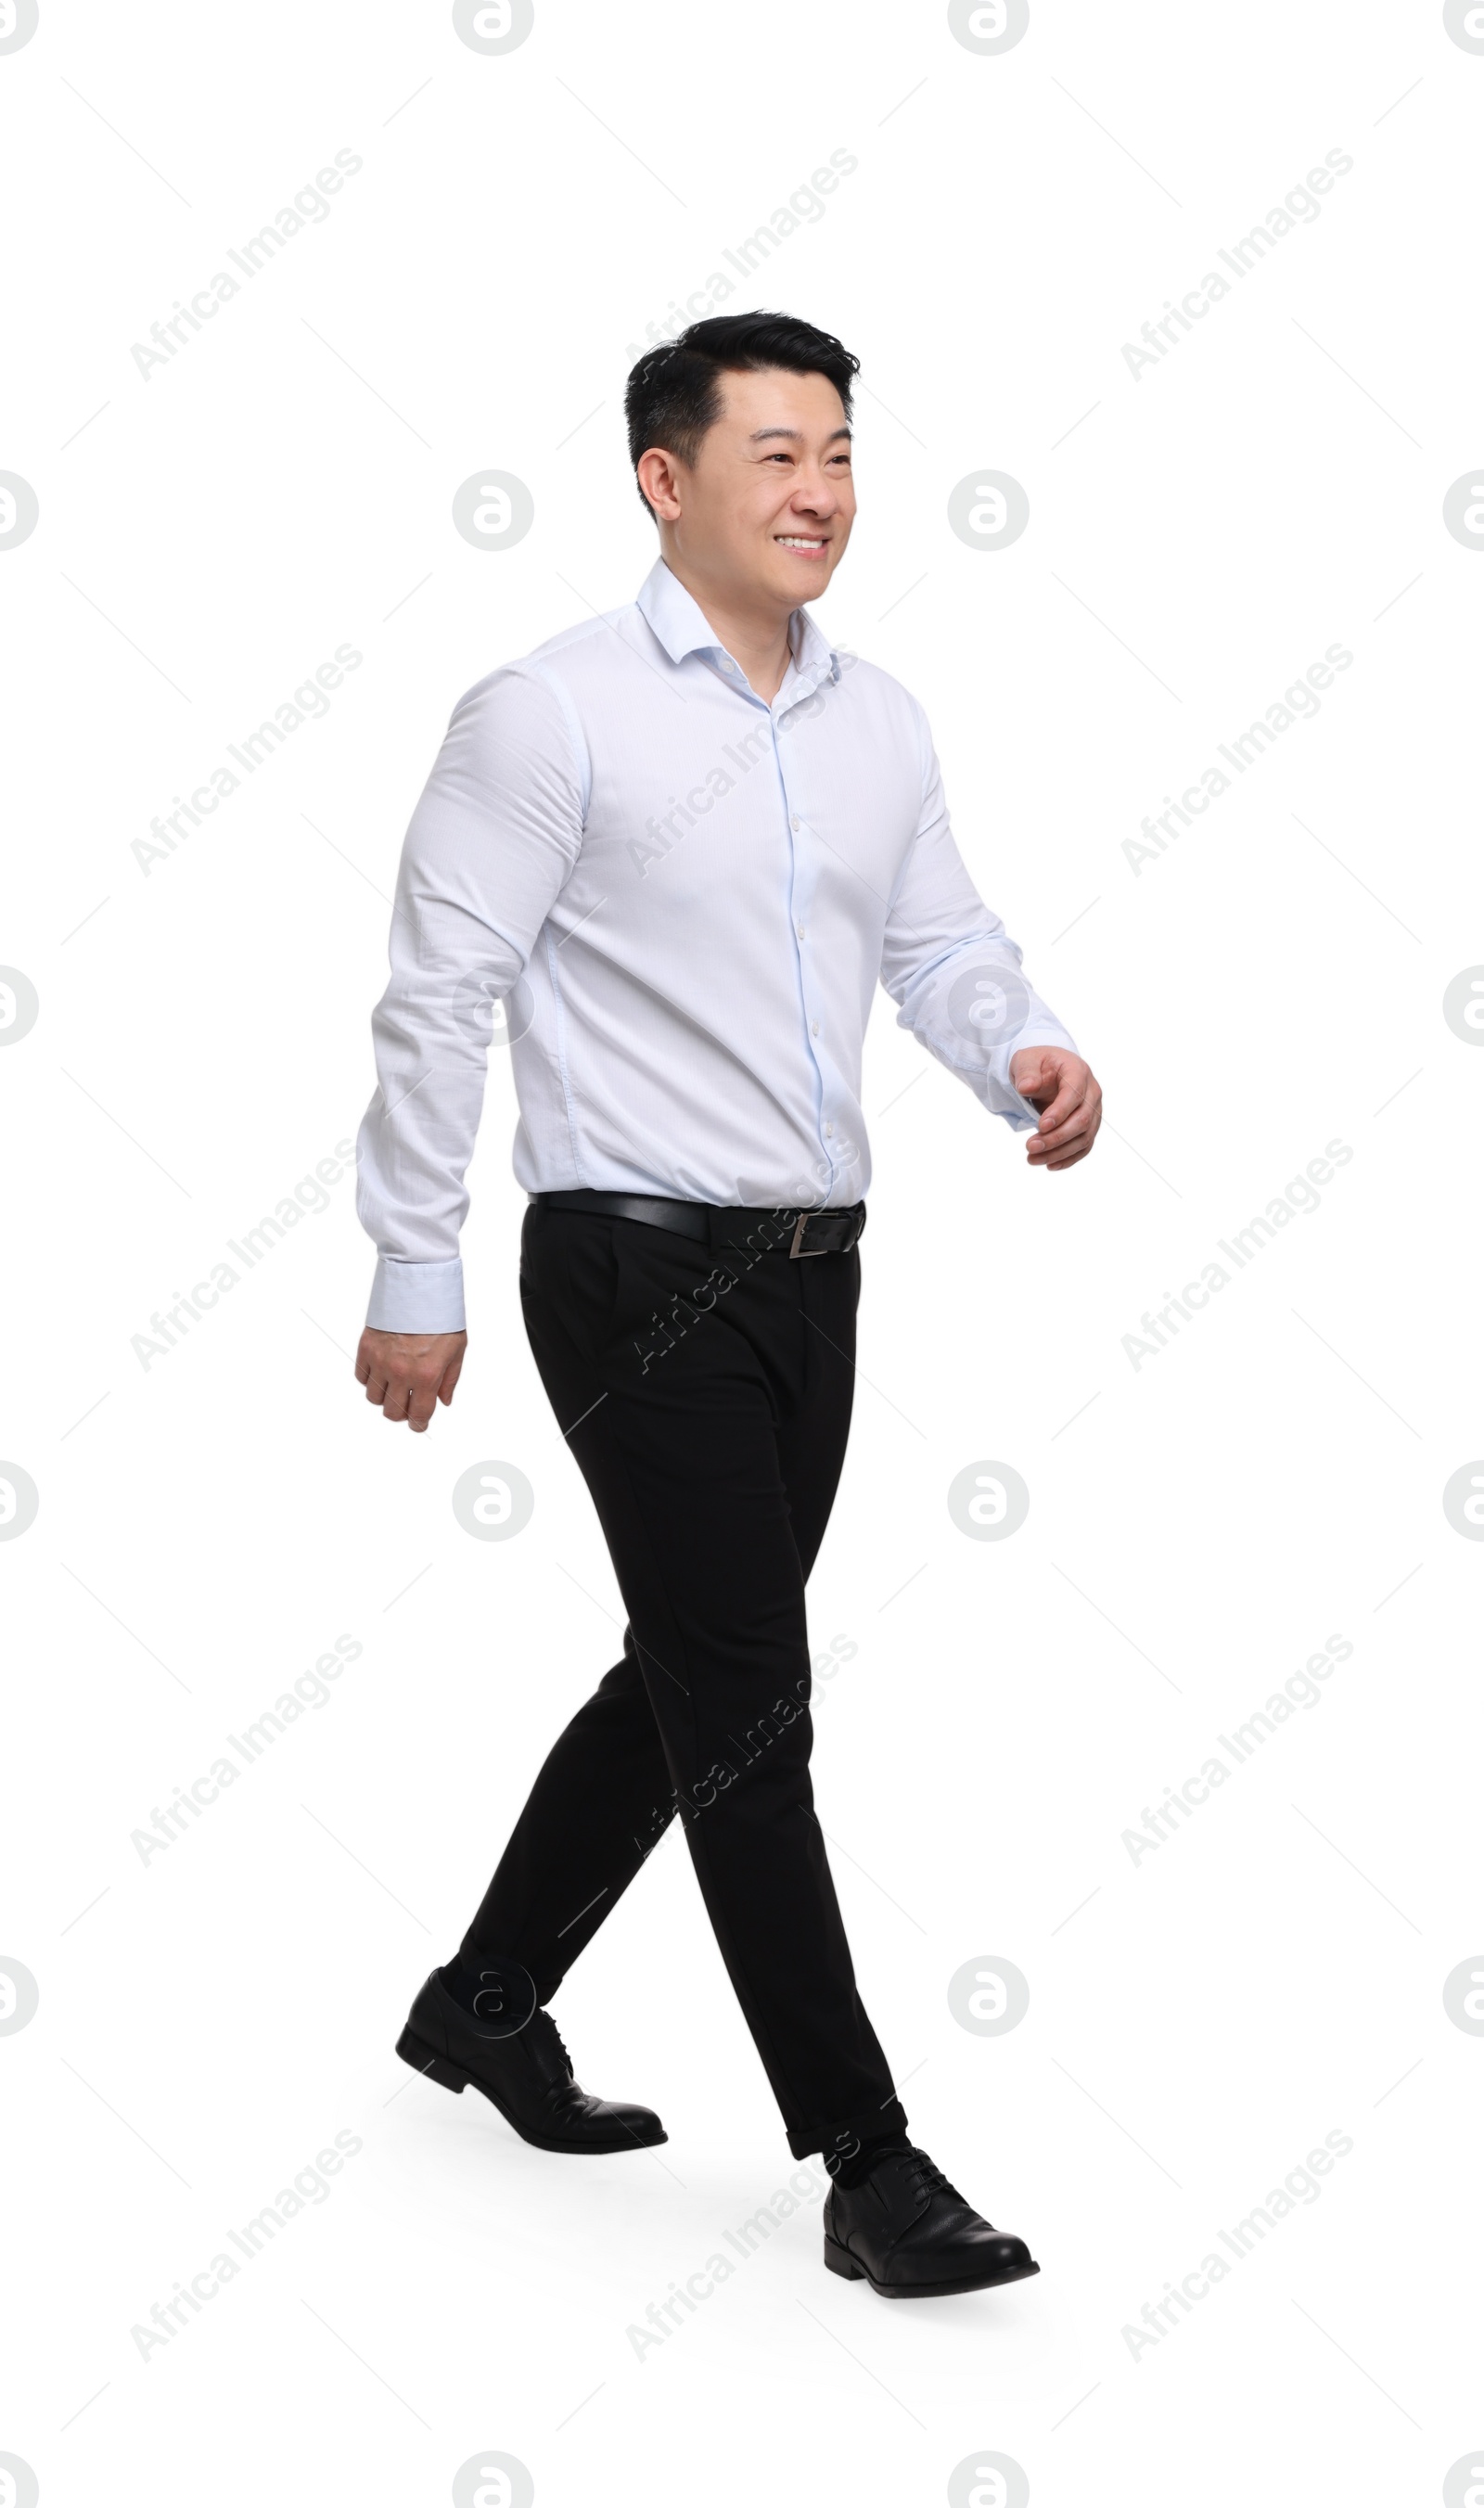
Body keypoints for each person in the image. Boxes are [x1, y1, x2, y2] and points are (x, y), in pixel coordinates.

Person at [352, 311, 1102, 2299]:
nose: (820, 492)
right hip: (627, 1265)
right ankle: (867, 2156)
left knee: (690, 1668)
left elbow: (938, 941)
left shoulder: (879, 719)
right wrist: (409, 1269)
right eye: (772, 454)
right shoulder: (551, 714)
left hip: (812, 1272)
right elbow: (436, 997)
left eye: (839, 452)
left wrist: (1017, 1047)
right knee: (749, 1707)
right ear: (662, 481)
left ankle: (485, 1998)